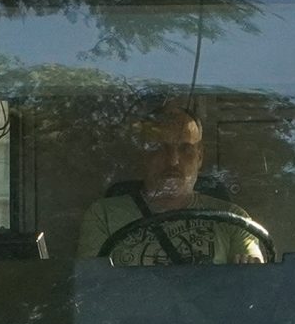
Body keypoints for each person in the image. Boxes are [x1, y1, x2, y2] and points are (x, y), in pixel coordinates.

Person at [76, 103, 265, 265]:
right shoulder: (103, 216)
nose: (173, 161)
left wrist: (248, 269)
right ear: (142, 155)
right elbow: (92, 289)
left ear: (199, 157)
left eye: (185, 149)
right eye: (160, 148)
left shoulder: (234, 220)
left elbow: (254, 289)